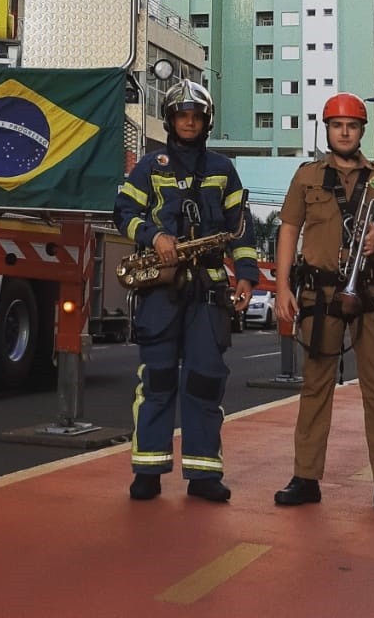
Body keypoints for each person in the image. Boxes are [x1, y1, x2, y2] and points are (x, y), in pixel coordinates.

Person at [273, 93, 374, 517]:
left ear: (361, 131)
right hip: (319, 296)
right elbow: (289, 230)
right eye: (336, 125)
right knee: (315, 386)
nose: (344, 132)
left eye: (351, 126)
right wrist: (282, 287)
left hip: (371, 294)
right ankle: (305, 478)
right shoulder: (307, 177)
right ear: (327, 129)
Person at [114, 79, 259, 503]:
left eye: (196, 116)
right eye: (182, 115)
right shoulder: (150, 165)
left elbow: (240, 228)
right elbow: (124, 212)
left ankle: (203, 474)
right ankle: (148, 470)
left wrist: (247, 273)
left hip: (209, 289)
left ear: (206, 121)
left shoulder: (222, 168)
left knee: (205, 381)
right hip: (161, 284)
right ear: (172, 120)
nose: (189, 122)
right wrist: (154, 235)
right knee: (157, 380)